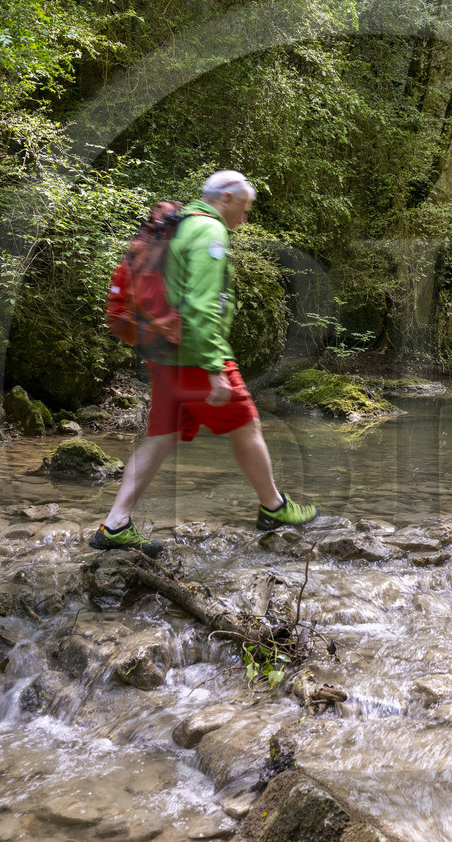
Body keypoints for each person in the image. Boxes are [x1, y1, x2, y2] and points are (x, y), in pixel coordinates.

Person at [92, 170, 318, 555]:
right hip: (194, 352)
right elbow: (202, 306)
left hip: (163, 350)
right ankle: (274, 507)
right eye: (245, 209)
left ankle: (115, 524)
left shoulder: (179, 226)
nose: (245, 219)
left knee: (161, 437)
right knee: (246, 423)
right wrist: (215, 368)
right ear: (226, 198)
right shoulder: (209, 233)